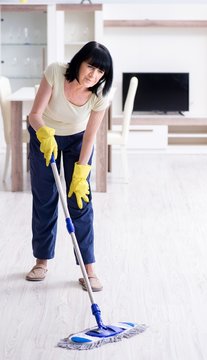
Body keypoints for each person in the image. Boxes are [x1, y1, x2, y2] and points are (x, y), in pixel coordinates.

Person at [25, 41, 113, 292]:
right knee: (45, 198)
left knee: (80, 201)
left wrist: (81, 173)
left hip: (77, 141)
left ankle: (89, 269)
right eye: (90, 67)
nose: (93, 76)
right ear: (79, 62)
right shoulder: (55, 72)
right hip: (44, 135)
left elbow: (90, 136)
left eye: (100, 72)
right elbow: (35, 114)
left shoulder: (100, 94)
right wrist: (44, 134)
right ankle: (41, 262)